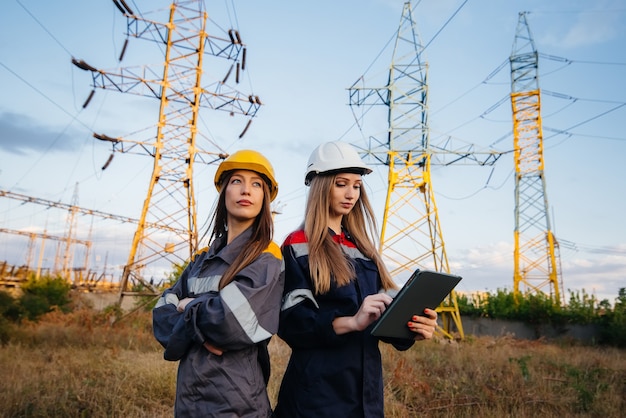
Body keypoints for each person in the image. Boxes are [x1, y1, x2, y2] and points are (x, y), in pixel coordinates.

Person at [274, 141, 439, 418]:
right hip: (316, 397)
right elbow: (291, 322)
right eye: (341, 184)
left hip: (365, 397)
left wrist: (411, 326)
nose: (351, 193)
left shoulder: (364, 250)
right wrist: (351, 322)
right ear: (320, 185)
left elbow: (382, 321)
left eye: (356, 185)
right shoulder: (298, 245)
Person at [152, 150, 284, 417]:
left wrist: (186, 306)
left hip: (238, 403)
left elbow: (229, 322)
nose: (246, 190)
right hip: (189, 402)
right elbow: (160, 315)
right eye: (236, 181)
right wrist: (201, 318)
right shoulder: (201, 259)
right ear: (224, 192)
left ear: (264, 199)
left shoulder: (267, 256)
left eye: (256, 184)